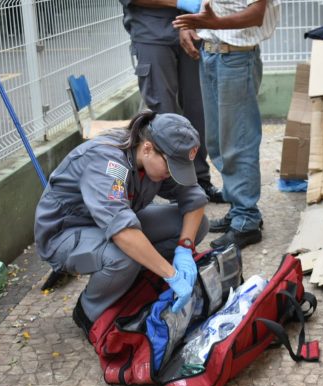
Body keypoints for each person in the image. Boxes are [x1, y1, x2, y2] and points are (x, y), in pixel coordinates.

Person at [34, 111, 209, 340]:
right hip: (65, 233)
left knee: (197, 225)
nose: (172, 174)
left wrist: (185, 248)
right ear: (147, 148)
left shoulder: (154, 158)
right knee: (123, 256)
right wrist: (171, 274)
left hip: (109, 223)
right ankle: (89, 312)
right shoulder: (109, 163)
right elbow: (122, 231)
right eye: (171, 167)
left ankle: (134, 283)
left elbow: (194, 198)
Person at [173, 0, 280, 249]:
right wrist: (190, 25)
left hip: (237, 57)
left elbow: (256, 14)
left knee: (238, 142)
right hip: (211, 52)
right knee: (217, 142)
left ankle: (247, 220)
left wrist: (213, 23)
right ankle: (238, 207)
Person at [118, 0, 225, 203]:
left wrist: (189, 19)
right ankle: (175, 189)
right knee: (162, 116)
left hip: (194, 28)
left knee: (198, 109)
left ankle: (199, 180)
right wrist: (181, 2)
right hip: (152, 32)